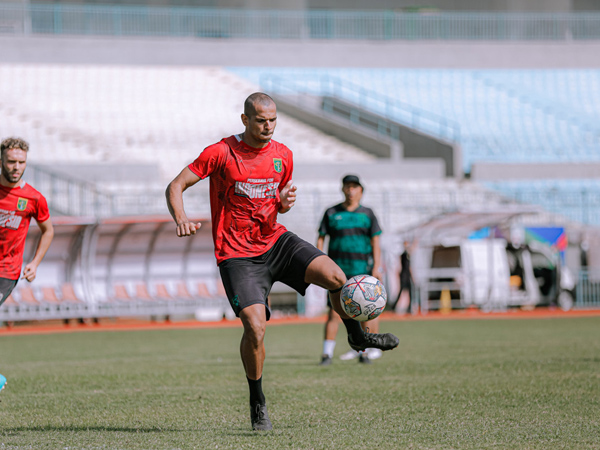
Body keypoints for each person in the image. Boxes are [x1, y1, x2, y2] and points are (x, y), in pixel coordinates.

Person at [165, 93, 399, 432]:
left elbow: (279, 203)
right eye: (261, 120)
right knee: (256, 329)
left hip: (275, 241)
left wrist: (284, 202)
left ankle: (357, 336)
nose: (268, 126)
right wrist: (181, 218)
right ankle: (257, 401)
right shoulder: (220, 153)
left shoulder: (283, 155)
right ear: (245, 120)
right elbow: (176, 185)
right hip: (237, 255)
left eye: (273, 120)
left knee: (337, 277)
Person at [0, 137, 55, 393]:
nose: (16, 167)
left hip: (7, 270)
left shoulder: (33, 198)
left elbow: (48, 231)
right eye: (11, 161)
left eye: (21, 162)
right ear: (2, 160)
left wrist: (34, 262)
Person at [317, 174, 384, 366]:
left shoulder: (367, 214)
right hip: (336, 272)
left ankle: (364, 351)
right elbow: (321, 238)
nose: (351, 190)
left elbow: (376, 241)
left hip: (362, 271)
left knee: (365, 311)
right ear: (342, 189)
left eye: (355, 187)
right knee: (333, 313)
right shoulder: (331, 212)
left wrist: (376, 267)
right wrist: (319, 263)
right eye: (348, 186)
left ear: (361, 191)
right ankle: (326, 354)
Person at [389, 240, 414, 314]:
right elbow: (401, 266)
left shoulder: (406, 254)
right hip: (404, 275)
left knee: (409, 292)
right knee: (402, 291)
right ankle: (394, 306)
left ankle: (409, 308)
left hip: (406, 275)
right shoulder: (404, 254)